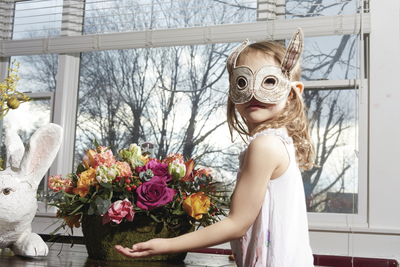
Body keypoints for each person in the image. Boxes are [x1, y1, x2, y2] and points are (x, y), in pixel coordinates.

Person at [115, 28, 315, 267]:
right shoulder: (277, 141)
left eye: (269, 81)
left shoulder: (265, 145)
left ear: (292, 94)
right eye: (242, 81)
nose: (253, 91)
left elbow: (237, 223)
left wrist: (166, 244)